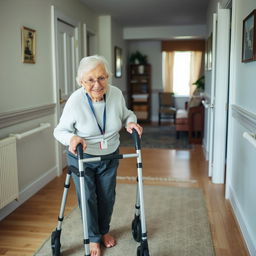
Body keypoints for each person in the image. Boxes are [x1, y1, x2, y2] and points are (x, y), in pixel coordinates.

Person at [53, 55, 143, 256]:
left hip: (110, 155)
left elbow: (126, 113)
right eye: (90, 80)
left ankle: (103, 231)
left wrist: (130, 122)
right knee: (88, 198)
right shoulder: (75, 101)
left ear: (108, 77)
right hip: (83, 157)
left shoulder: (116, 94)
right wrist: (73, 138)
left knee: (107, 196)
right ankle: (93, 238)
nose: (97, 85)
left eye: (101, 78)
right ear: (80, 82)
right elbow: (59, 131)